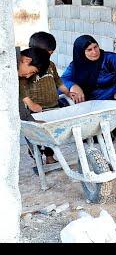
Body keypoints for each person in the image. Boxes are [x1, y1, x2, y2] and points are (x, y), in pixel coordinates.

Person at [61, 35, 116, 139]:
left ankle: (111, 132)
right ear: (81, 52)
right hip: (89, 102)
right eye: (89, 50)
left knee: (103, 137)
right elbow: (62, 80)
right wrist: (73, 85)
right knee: (61, 98)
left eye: (96, 47)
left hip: (110, 100)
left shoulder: (110, 59)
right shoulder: (76, 65)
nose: (94, 52)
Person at [20, 32, 76, 166]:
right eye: (46, 53)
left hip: (53, 105)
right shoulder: (27, 69)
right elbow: (21, 89)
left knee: (52, 135)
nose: (48, 57)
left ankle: (50, 157)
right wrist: (31, 104)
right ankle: (37, 156)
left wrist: (67, 92)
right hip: (36, 108)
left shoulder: (50, 65)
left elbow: (58, 81)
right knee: (38, 136)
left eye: (50, 54)